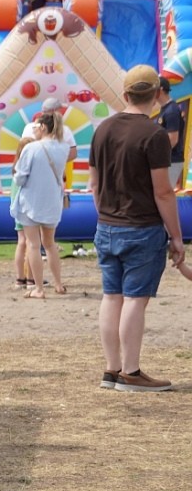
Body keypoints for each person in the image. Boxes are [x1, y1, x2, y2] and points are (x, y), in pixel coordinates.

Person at [90, 64, 192, 392]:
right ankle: (131, 372)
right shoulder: (154, 135)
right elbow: (163, 191)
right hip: (142, 227)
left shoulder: (102, 129)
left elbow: (94, 185)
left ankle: (111, 370)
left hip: (107, 226)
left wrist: (107, 217)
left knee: (112, 296)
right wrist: (176, 235)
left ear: (125, 94)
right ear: (156, 96)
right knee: (135, 299)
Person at [10, 112, 72, 298]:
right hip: (52, 201)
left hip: (32, 202)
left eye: (36, 127)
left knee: (33, 244)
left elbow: (20, 176)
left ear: (43, 127)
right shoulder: (64, 147)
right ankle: (59, 284)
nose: (35, 130)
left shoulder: (32, 148)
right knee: (50, 244)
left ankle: (38, 288)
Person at [156, 77, 186, 189]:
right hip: (167, 160)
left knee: (165, 193)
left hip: (172, 160)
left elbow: (173, 140)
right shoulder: (165, 109)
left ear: (161, 89)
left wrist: (156, 155)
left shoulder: (171, 111)